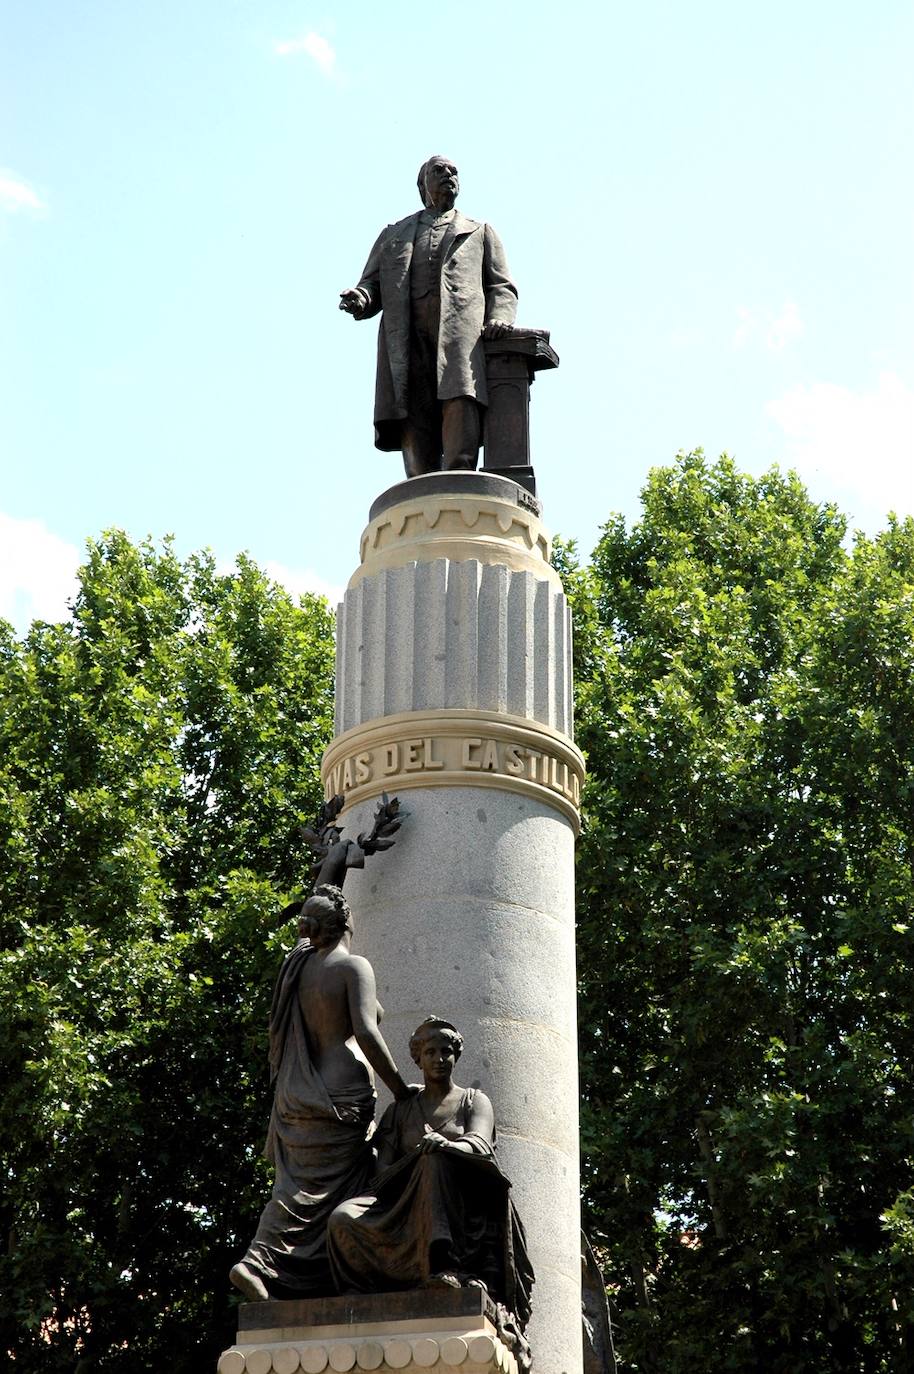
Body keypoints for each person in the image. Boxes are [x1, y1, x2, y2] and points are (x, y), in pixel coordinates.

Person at [229, 885, 410, 1301]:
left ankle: (262, 1262)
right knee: (345, 1186)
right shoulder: (353, 968)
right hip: (339, 1093)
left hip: (296, 1091)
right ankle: (289, 1263)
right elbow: (366, 1031)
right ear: (346, 921)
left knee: (295, 1187)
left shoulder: (297, 965)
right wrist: (399, 1089)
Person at [326, 1017, 534, 1361]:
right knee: (342, 1218)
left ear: (456, 1057)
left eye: (447, 1052)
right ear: (417, 1058)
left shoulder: (473, 1101)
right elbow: (382, 1174)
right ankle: (361, 1291)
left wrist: (445, 1146)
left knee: (434, 1161)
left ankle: (443, 1266)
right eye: (431, 1052)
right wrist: (416, 1159)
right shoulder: (400, 1111)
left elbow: (480, 1145)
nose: (439, 1058)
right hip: (403, 1203)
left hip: (461, 1204)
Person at [339, 156, 517, 477]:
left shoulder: (480, 232)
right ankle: (422, 495)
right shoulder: (395, 235)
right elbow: (371, 285)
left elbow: (501, 286)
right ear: (422, 185)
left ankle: (460, 487)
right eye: (439, 171)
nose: (449, 175)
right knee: (416, 429)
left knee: (460, 409)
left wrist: (499, 318)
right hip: (408, 342)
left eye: (454, 172)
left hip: (460, 343)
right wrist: (361, 298)